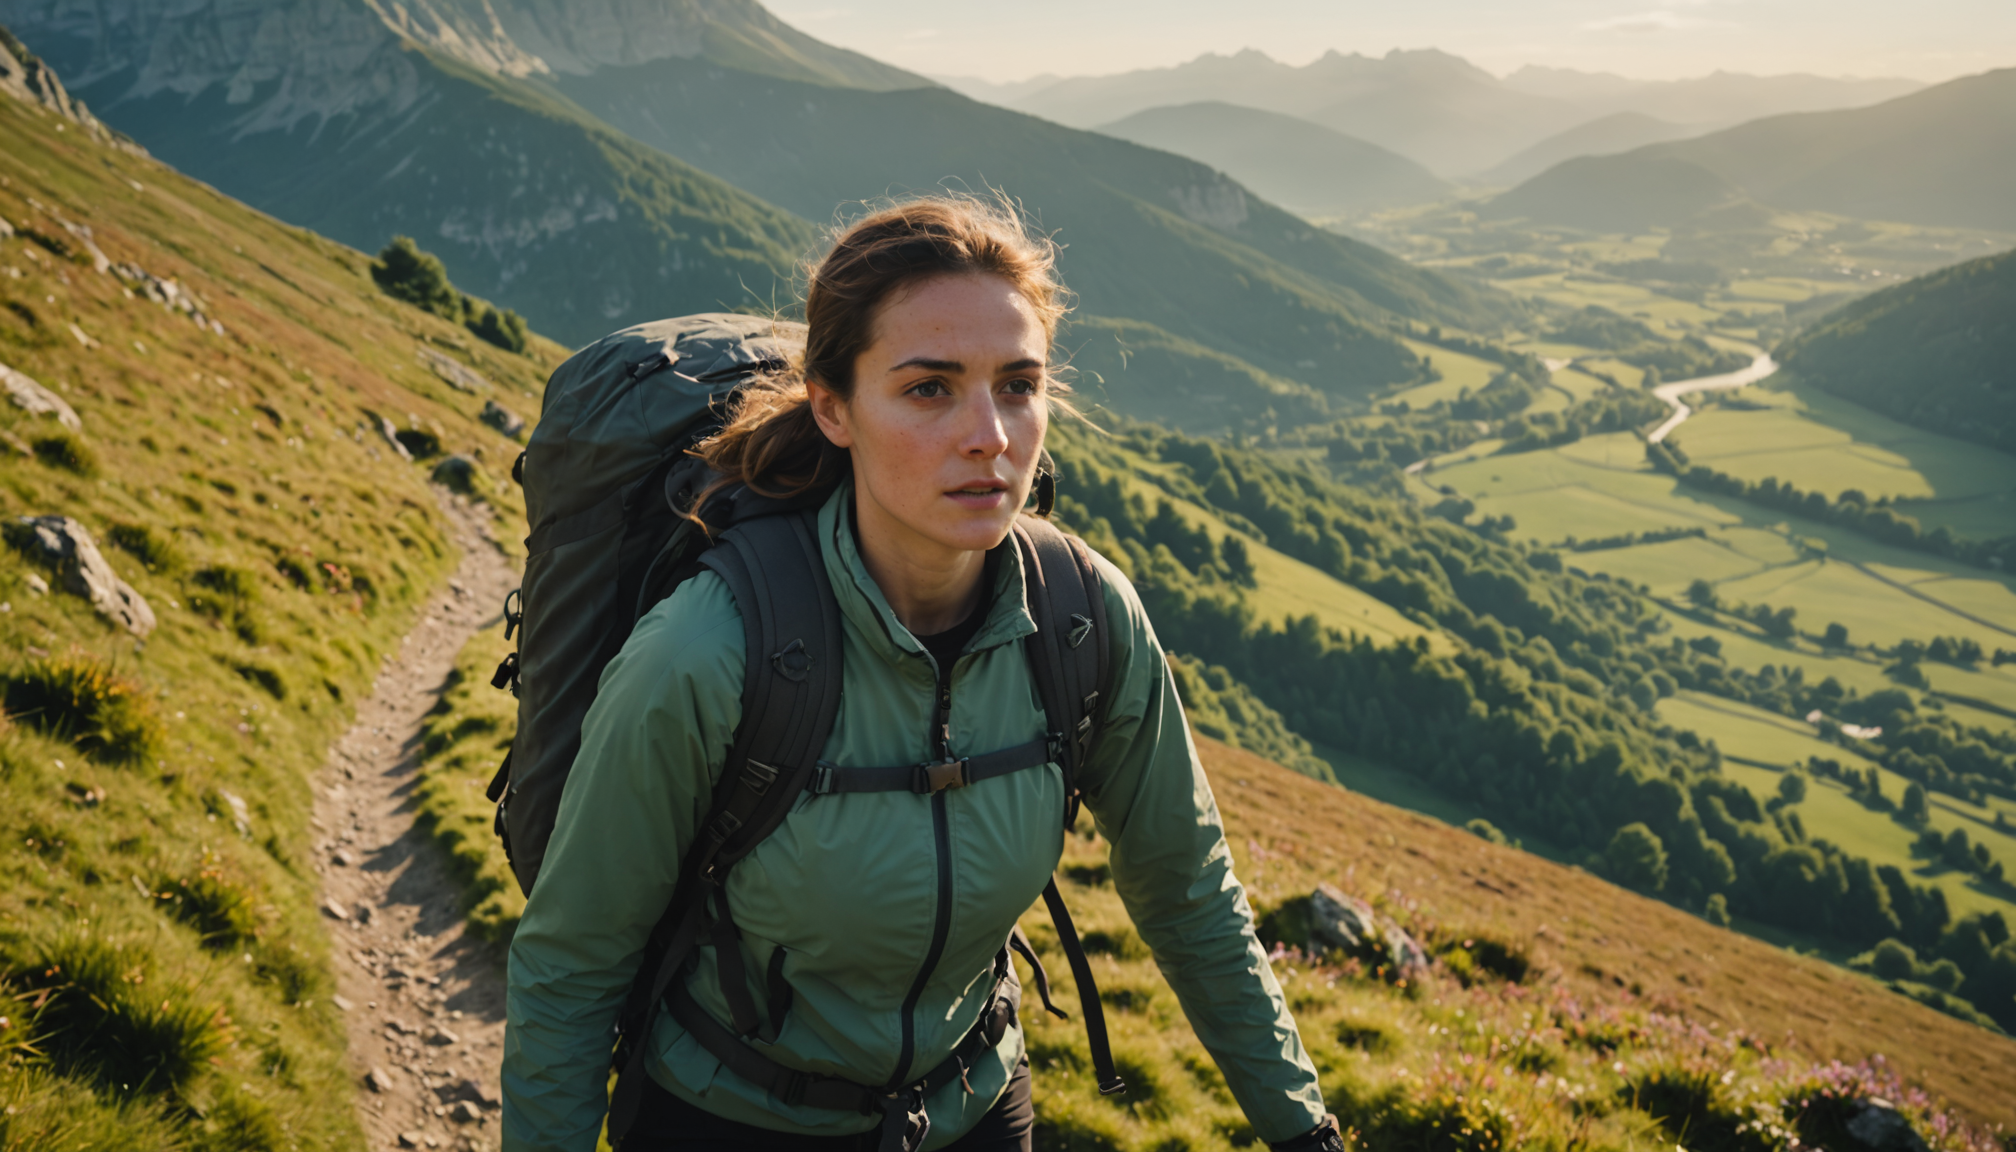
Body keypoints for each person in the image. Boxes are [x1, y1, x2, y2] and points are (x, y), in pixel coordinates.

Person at [501, 197, 1336, 1152]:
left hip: (973, 1108)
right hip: (729, 1119)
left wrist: (1306, 1132)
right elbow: (573, 965)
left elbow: (1190, 895)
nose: (990, 435)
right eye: (930, 389)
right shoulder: (709, 651)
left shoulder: (1082, 621)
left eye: (1018, 385)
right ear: (833, 407)